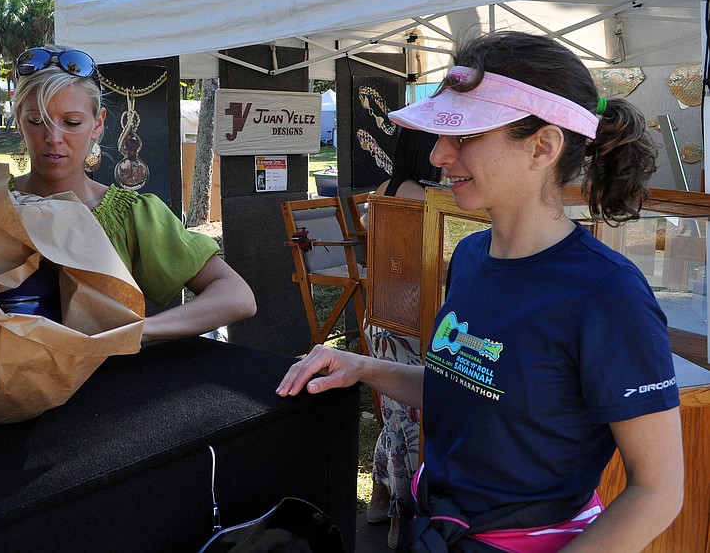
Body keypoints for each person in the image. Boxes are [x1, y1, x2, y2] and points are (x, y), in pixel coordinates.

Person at [278, 31, 682, 552]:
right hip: (436, 530)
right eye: (441, 134)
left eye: (465, 136)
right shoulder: (469, 258)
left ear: (542, 146)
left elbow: (657, 491)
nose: (438, 155)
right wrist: (364, 368)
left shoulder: (608, 293)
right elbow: (465, 386)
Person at [0, 46, 257, 343]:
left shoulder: (133, 216)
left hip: (100, 399)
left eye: (71, 122)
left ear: (98, 125)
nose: (53, 138)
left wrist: (139, 331)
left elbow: (237, 296)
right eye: (37, 121)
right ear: (19, 122)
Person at [363, 128, 442, 549]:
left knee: (394, 414)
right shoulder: (426, 199)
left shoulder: (384, 189)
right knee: (409, 419)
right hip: (411, 319)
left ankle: (379, 500)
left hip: (381, 316)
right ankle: (399, 513)